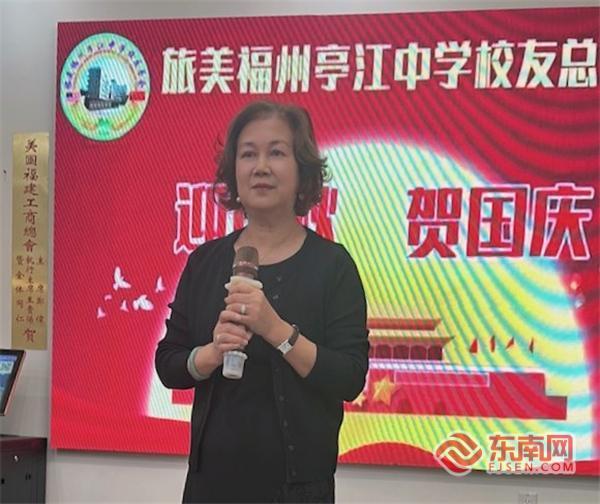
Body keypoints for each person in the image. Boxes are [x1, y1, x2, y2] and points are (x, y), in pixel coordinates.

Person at [155, 100, 369, 503]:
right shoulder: (205, 261)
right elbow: (169, 363)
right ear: (234, 172)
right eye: (248, 154)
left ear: (302, 170)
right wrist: (212, 353)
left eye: (277, 153)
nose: (261, 167)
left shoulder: (332, 265)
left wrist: (277, 331)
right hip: (211, 486)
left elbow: (349, 377)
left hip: (297, 490)